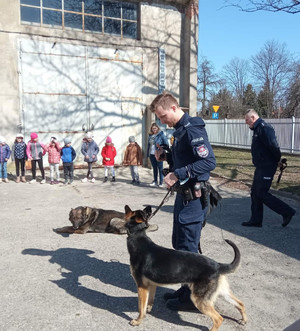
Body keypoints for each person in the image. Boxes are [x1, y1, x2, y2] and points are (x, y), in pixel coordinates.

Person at [149, 91, 216, 311]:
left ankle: (192, 298)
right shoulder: (179, 132)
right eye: (159, 118)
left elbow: (208, 162)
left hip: (193, 199)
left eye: (163, 116)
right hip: (182, 197)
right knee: (179, 244)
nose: (161, 121)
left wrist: (177, 174)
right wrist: (166, 155)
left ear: (174, 108)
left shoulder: (192, 129)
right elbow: (185, 157)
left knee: (187, 248)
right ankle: (185, 289)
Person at [242, 109, 296, 228]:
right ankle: (256, 220)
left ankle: (287, 211)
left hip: (267, 166)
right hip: (261, 166)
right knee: (255, 193)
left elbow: (273, 146)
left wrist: (278, 160)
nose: (246, 122)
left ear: (253, 118)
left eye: (247, 119)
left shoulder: (264, 128)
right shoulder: (257, 129)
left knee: (261, 193)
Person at [147, 122, 169, 187]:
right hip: (152, 154)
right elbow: (148, 145)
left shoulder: (161, 134)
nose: (154, 129)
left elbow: (166, 143)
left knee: (160, 168)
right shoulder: (150, 136)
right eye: (153, 128)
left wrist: (162, 149)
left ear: (158, 128)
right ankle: (155, 181)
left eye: (155, 128)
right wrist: (147, 154)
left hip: (159, 154)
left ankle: (161, 182)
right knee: (154, 168)